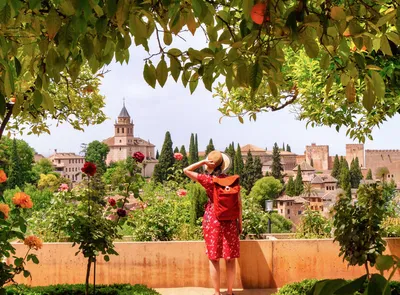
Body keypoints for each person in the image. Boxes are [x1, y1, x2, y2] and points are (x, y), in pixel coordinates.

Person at [184, 150, 242, 295]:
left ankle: (217, 293)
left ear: (211, 165)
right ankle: (230, 292)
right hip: (230, 221)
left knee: (214, 258)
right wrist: (239, 222)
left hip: (213, 220)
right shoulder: (232, 180)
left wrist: (203, 162)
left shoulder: (208, 180)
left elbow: (186, 170)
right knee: (230, 258)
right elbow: (239, 203)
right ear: (223, 165)